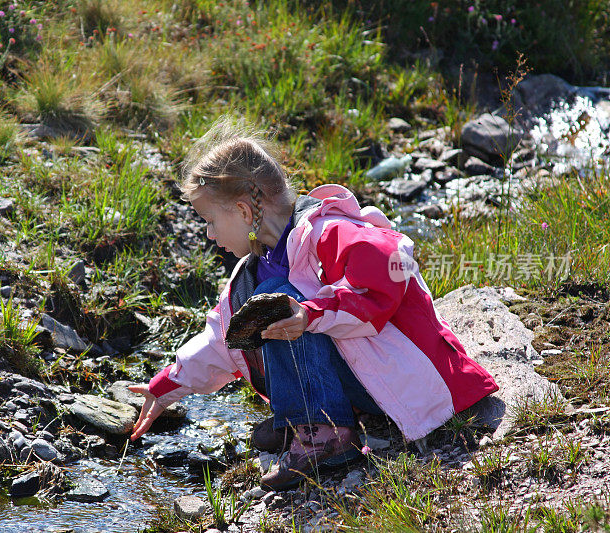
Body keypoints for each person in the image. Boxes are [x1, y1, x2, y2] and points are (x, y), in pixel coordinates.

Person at [129, 117, 498, 490]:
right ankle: (304, 419)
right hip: (359, 382)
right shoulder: (255, 267)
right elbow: (221, 339)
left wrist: (310, 313)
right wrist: (164, 387)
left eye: (209, 221)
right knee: (254, 301)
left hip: (400, 381)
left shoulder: (325, 232)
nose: (209, 234)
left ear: (243, 211)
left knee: (276, 298)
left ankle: (325, 432)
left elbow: (392, 262)